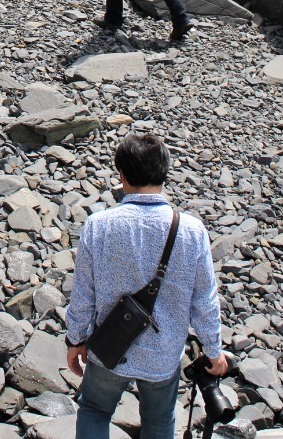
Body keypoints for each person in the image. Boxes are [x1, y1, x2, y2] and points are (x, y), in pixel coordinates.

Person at [66, 133, 227, 439]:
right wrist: (213, 350)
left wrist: (75, 340)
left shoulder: (98, 225)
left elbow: (83, 295)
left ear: (122, 175)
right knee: (160, 420)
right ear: (165, 173)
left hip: (109, 349)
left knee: (95, 412)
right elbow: (204, 302)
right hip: (163, 355)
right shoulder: (192, 230)